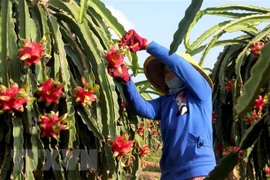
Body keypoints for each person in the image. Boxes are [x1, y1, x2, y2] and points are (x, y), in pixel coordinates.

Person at [107, 29, 216, 180]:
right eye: (165, 72)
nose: (168, 74)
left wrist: (147, 45)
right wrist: (126, 80)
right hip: (170, 171)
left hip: (197, 167)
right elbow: (141, 107)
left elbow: (178, 64)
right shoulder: (165, 102)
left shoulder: (201, 92)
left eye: (171, 70)